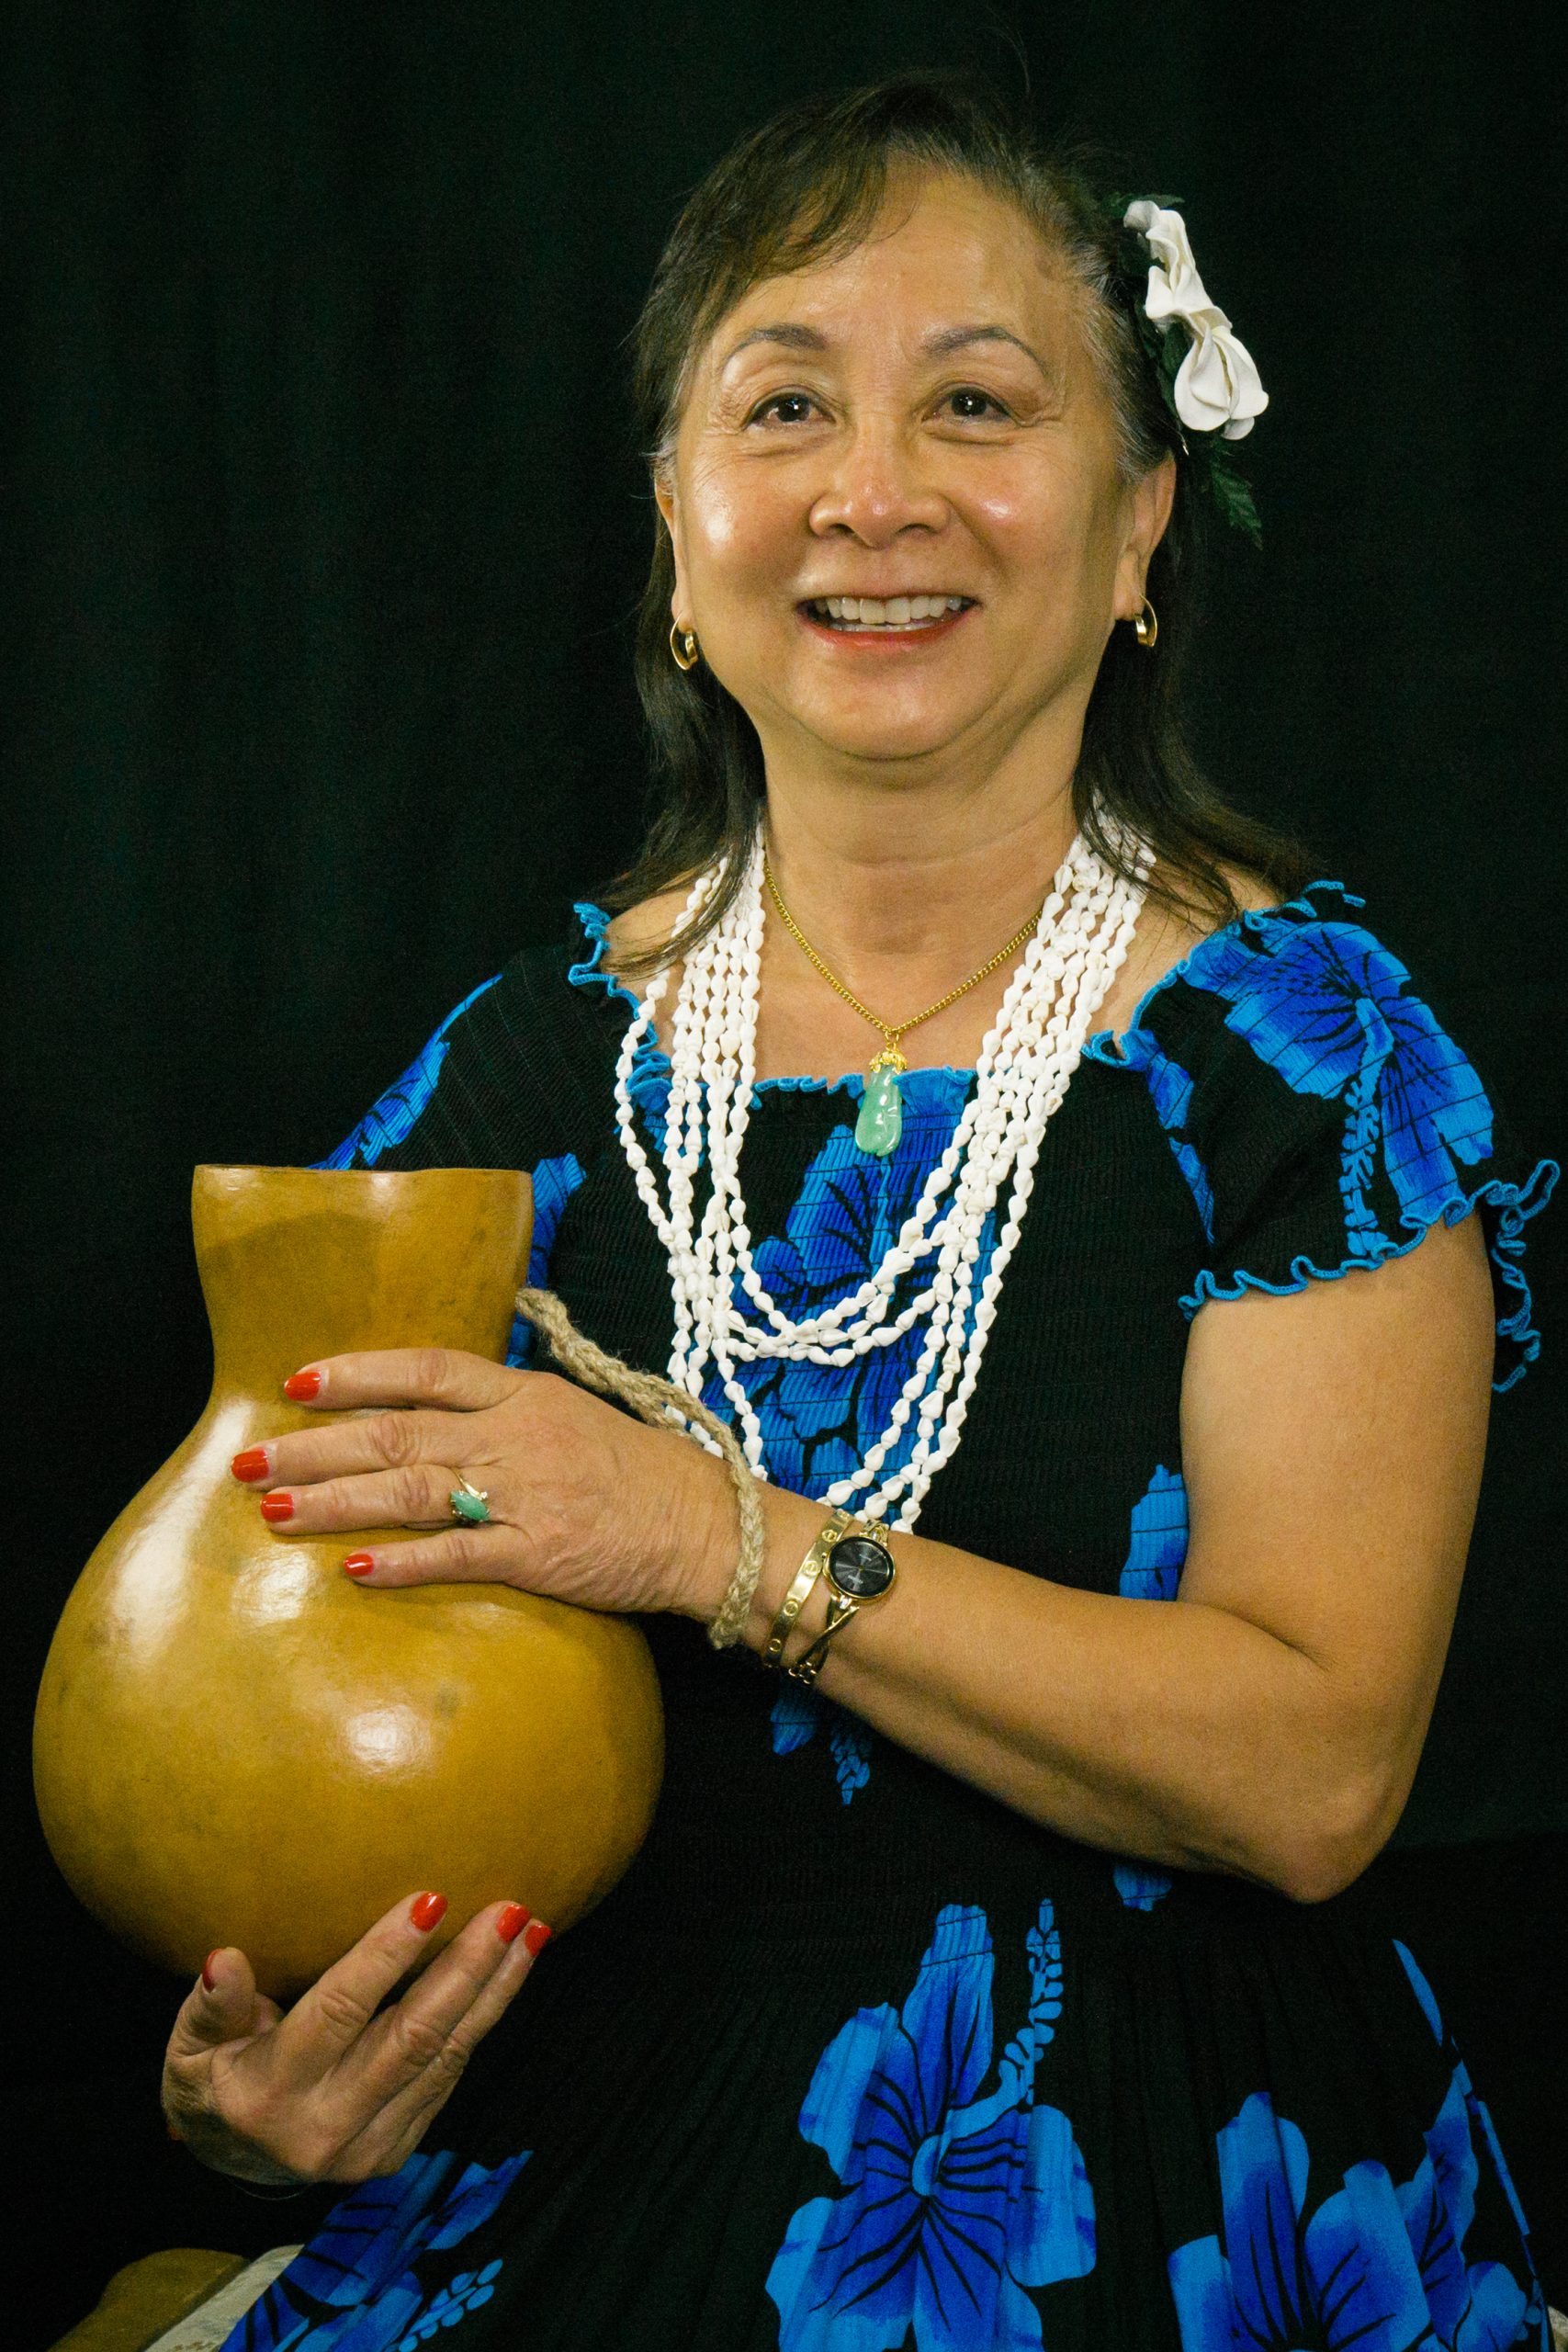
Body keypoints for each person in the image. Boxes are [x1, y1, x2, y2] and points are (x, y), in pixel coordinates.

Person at [159, 74, 1558, 2352]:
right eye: (782, 401)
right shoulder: (504, 1082)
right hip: (585, 2138)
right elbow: (267, 1721)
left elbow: (1310, 1778)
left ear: (1137, 526)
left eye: (976, 402)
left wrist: (708, 1534)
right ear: (675, 527)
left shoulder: (1302, 1055)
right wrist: (259, 2088)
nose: (871, 492)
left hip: (1157, 2160)